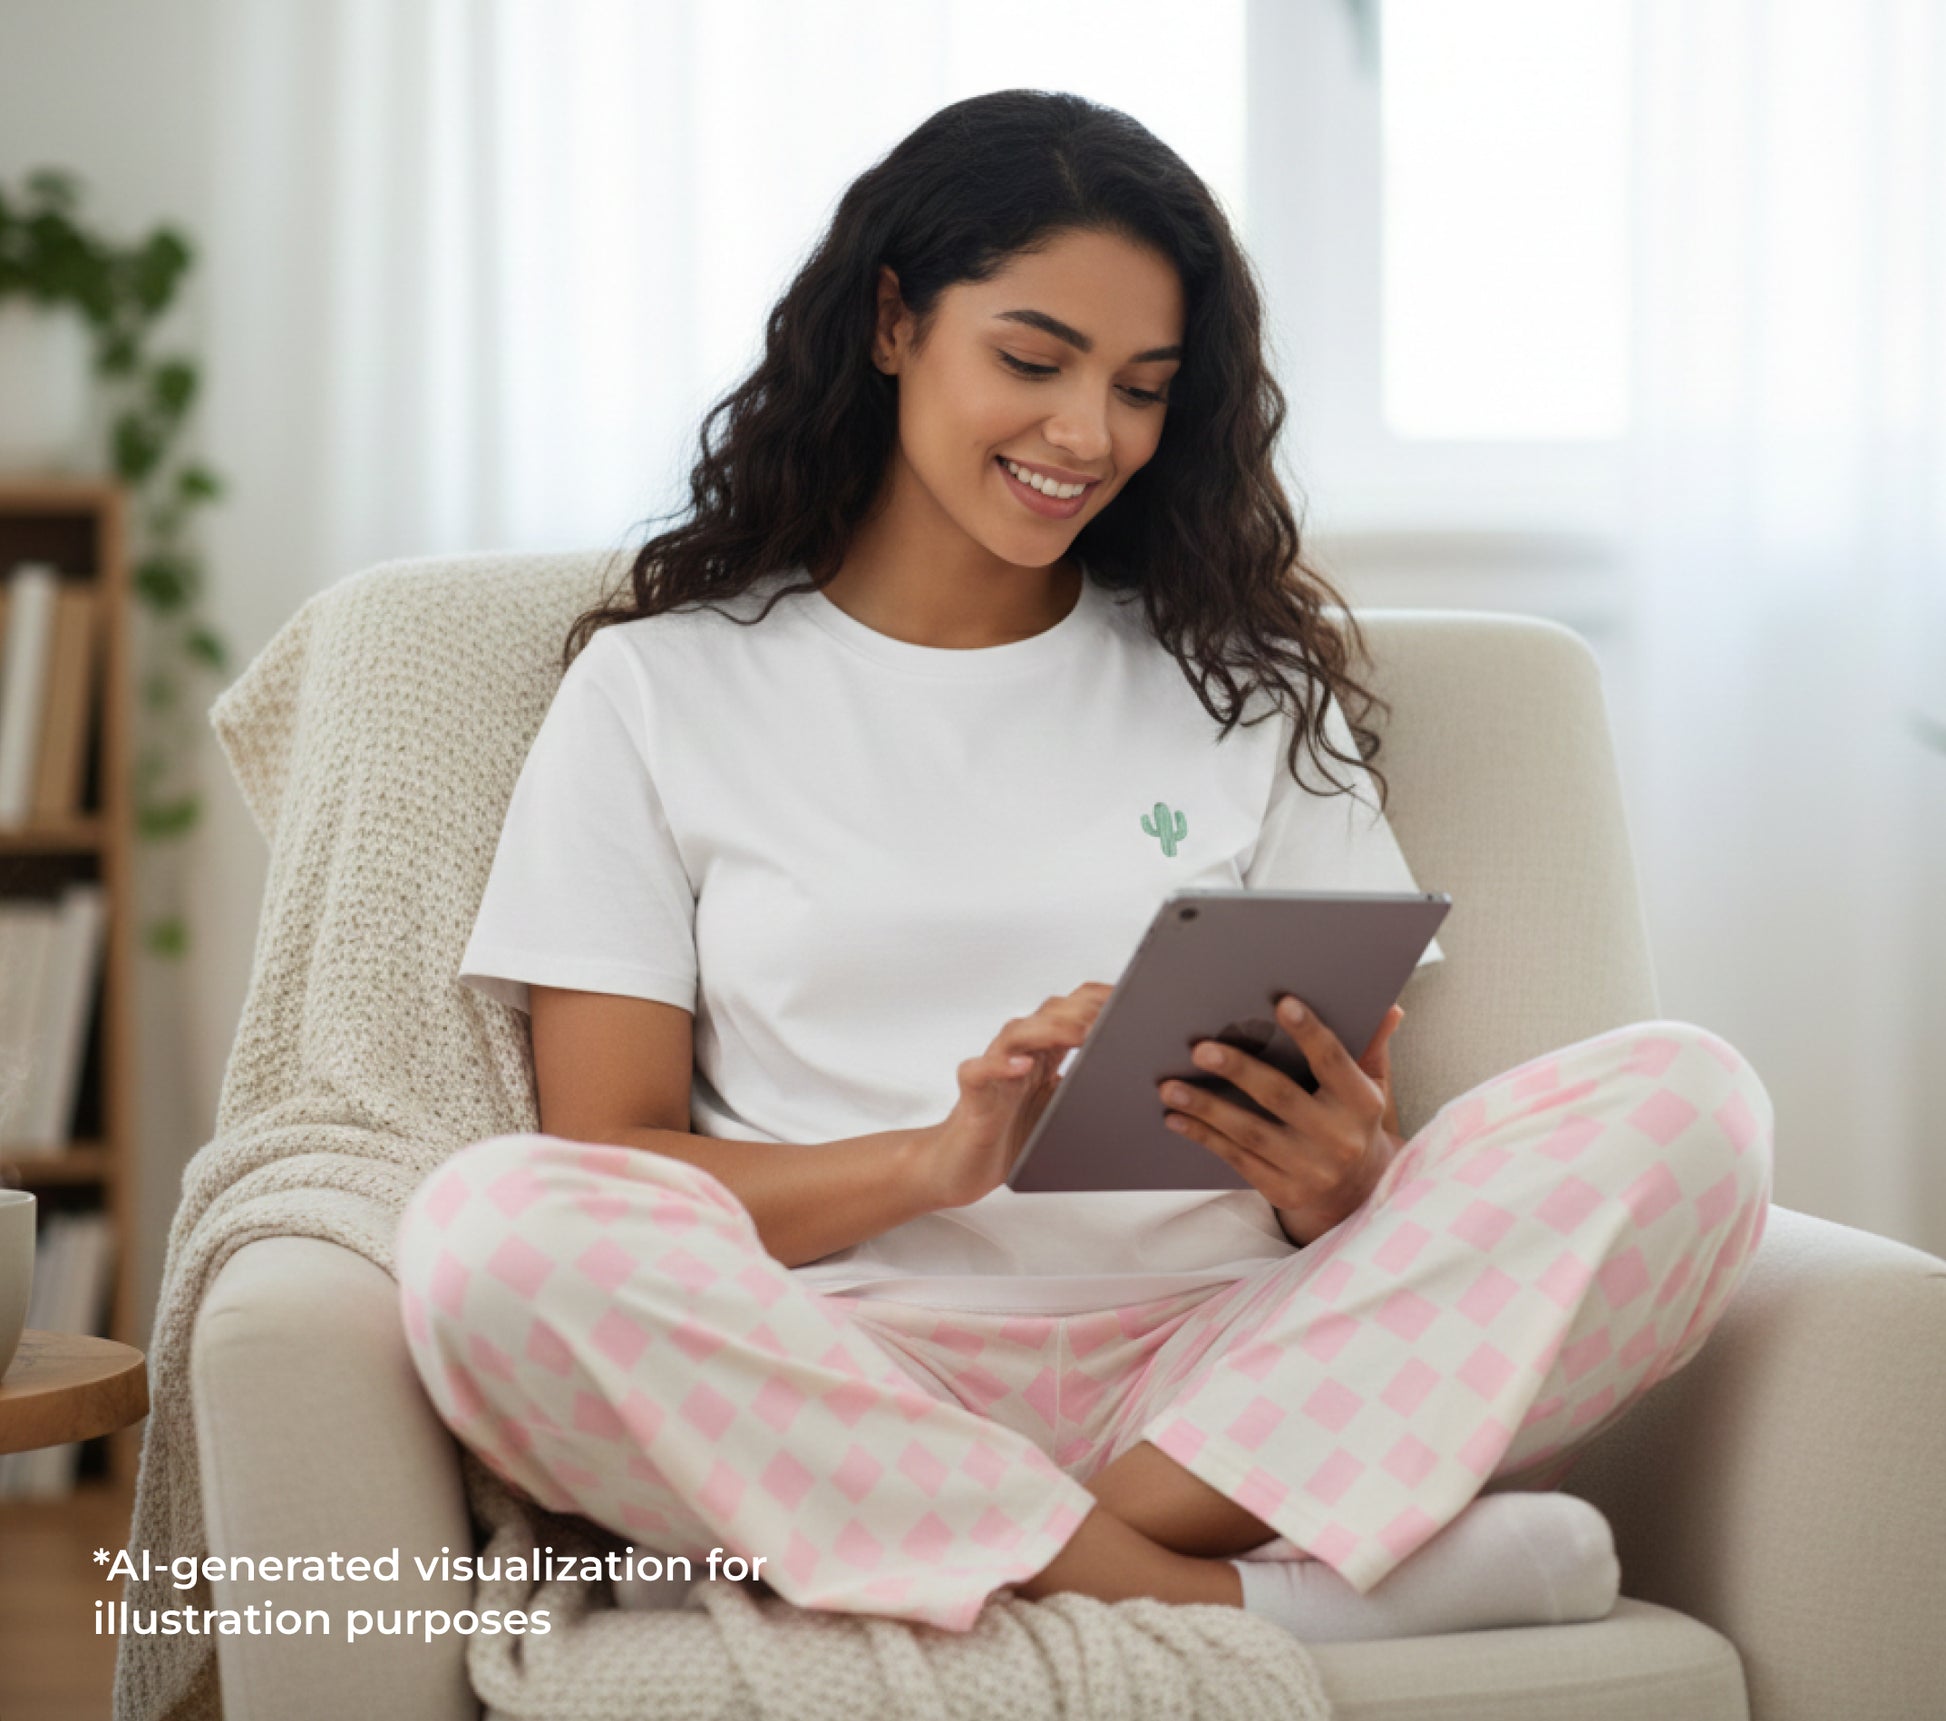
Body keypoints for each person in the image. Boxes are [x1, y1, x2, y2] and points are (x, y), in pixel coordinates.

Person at [394, 89, 1774, 1644]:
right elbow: (613, 1159)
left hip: (1222, 1377)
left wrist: (1345, 1185)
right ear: (895, 322)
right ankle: (1238, 1600)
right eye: (1033, 361)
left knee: (1688, 1100)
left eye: (1141, 388)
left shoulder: (1241, 689)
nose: (1087, 436)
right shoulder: (658, 692)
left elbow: (1368, 1157)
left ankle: (1011, 1548)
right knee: (489, 1228)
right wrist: (934, 1160)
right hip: (843, 1367)